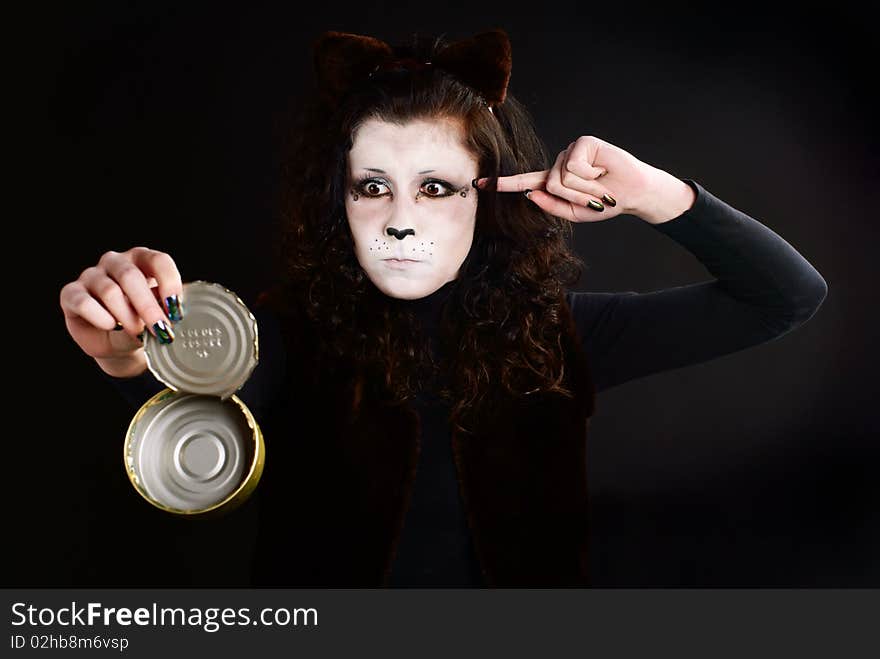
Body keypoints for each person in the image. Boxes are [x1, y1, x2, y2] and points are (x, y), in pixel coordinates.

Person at [58, 28, 827, 587]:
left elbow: (785, 296)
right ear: (340, 206)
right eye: (372, 188)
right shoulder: (283, 334)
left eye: (434, 187)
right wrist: (122, 344)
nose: (400, 219)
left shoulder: (560, 334)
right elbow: (187, 401)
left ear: (485, 199)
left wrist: (655, 194)